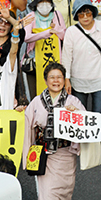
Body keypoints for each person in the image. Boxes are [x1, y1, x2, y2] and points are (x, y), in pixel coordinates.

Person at [23, 62, 85, 200]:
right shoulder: (36, 102)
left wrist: (76, 114)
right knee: (47, 194)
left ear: (64, 80)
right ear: (45, 80)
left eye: (59, 77)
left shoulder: (73, 101)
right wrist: (27, 156)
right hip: (44, 155)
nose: (56, 81)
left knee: (65, 193)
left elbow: (85, 126)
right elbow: (28, 130)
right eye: (52, 77)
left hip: (66, 156)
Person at [24, 0, 66, 100]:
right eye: (41, 2)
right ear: (36, 4)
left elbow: (63, 36)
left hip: (55, 60)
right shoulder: (31, 16)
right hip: (35, 62)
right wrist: (46, 33)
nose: (44, 5)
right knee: (35, 94)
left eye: (47, 2)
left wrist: (56, 28)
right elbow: (26, 37)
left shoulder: (57, 15)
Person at [63, 0, 101, 112]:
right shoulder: (71, 32)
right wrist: (66, 79)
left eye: (88, 13)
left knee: (98, 116)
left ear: (93, 13)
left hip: (99, 80)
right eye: (81, 14)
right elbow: (66, 57)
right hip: (78, 81)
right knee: (79, 114)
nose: (85, 17)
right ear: (76, 16)